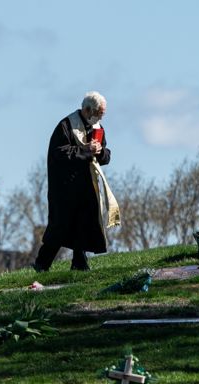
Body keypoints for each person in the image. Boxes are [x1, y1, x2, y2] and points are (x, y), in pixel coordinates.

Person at [33, 91, 120, 272]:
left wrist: (99, 152)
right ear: (87, 110)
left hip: (86, 186)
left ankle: (79, 264)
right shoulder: (66, 125)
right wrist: (86, 150)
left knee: (84, 223)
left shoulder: (97, 128)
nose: (99, 118)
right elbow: (60, 152)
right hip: (64, 188)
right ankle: (42, 263)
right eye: (98, 114)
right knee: (60, 225)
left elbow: (106, 156)